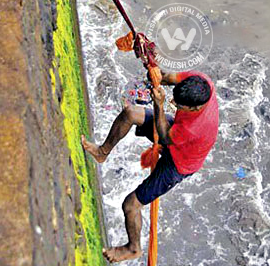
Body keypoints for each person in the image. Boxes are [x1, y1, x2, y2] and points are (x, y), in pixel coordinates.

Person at [81, 69, 219, 263]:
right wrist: (153, 70)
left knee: (130, 205)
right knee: (130, 113)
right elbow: (166, 77)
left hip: (179, 163)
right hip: (175, 133)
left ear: (195, 109)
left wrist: (160, 104)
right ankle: (102, 152)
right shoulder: (202, 81)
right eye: (174, 100)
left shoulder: (194, 127)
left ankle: (133, 248)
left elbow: (164, 137)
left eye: (179, 106)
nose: (175, 104)